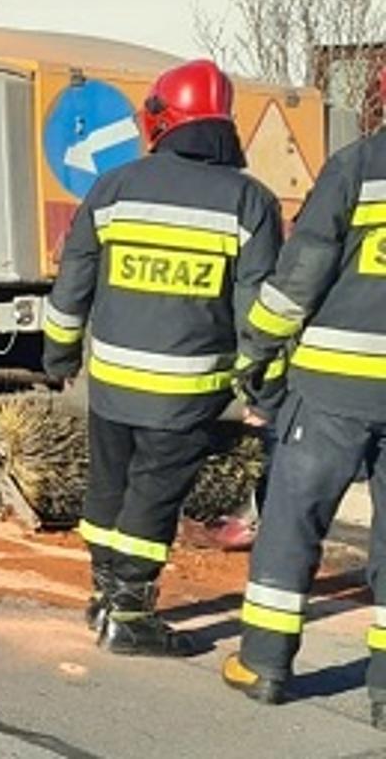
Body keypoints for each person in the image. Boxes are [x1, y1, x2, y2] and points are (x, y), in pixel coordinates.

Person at [43, 59, 282, 656]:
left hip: (113, 381)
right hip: (185, 391)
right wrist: (264, 391)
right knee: (153, 497)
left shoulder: (114, 187)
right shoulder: (248, 202)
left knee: (108, 491)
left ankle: (102, 596)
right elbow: (258, 310)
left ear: (161, 121)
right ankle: (129, 612)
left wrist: (58, 353)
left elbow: (73, 280)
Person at [223, 69, 386, 730]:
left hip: (332, 389)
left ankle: (263, 664)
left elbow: (300, 277)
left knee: (292, 521)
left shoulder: (358, 166)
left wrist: (256, 351)